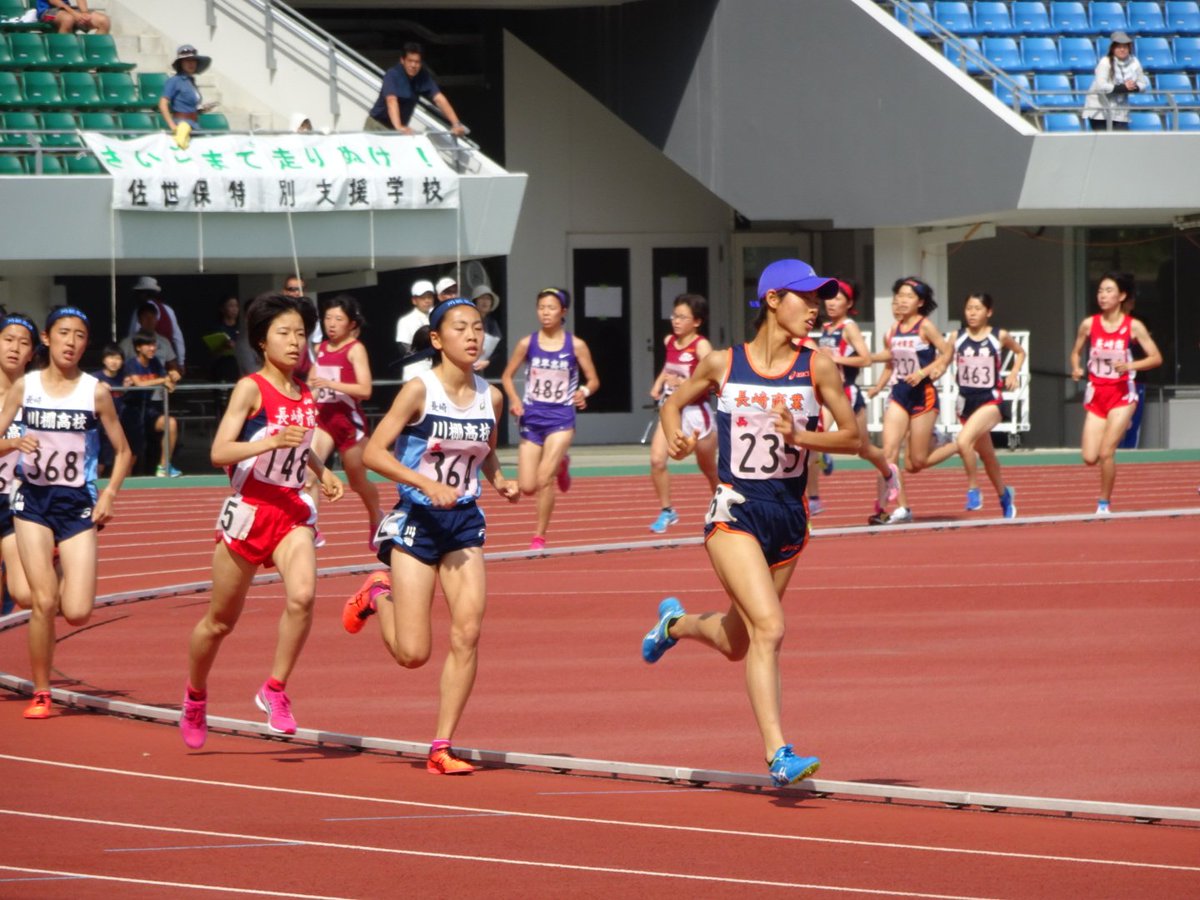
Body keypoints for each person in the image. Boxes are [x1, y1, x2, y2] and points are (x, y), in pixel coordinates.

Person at [642, 259, 859, 787]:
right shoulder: (722, 363)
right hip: (734, 511)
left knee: (739, 641)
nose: (815, 309)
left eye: (820, 300)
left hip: (788, 518)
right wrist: (674, 435)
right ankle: (778, 752)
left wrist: (803, 438)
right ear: (772, 299)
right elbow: (675, 402)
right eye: (804, 298)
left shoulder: (819, 366)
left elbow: (853, 436)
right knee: (771, 628)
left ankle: (674, 624)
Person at [344, 297, 518, 775]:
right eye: (460, 328)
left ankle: (441, 746)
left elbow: (483, 449)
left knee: (468, 631)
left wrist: (500, 478)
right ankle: (378, 593)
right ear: (438, 340)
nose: (472, 335)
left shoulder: (492, 396)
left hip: (463, 522)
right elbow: (373, 454)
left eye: (478, 327)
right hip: (417, 522)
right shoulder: (419, 391)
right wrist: (425, 483)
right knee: (412, 654)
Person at [179, 292, 344, 750]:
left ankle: (274, 688)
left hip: (291, 510)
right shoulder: (251, 388)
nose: (295, 343)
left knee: (305, 595)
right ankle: (195, 696)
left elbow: (300, 443)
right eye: (283, 334)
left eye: (300, 334)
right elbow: (219, 452)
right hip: (249, 512)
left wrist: (323, 470)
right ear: (260, 341)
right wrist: (267, 444)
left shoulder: (306, 392)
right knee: (219, 622)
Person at [0, 307, 131, 719]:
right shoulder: (26, 387)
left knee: (75, 612)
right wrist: (12, 445)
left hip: (77, 505)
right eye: (63, 333)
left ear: (85, 343)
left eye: (79, 335)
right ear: (47, 338)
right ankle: (42, 691)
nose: (71, 342)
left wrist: (109, 494)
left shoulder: (95, 391)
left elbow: (124, 451)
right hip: (32, 501)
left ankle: (60, 565)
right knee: (40, 601)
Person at [500, 288, 600, 550]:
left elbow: (594, 380)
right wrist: (515, 400)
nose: (545, 312)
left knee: (545, 479)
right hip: (532, 418)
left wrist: (584, 392)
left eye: (551, 307)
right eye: (541, 307)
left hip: (561, 418)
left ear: (563, 311)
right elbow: (507, 376)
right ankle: (563, 464)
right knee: (528, 485)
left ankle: (539, 536)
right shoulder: (527, 343)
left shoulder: (576, 345)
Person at [920, 293, 1025, 517]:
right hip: (966, 403)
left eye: (977, 308)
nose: (972, 313)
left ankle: (973, 489)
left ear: (989, 312)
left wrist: (1014, 372)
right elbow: (945, 359)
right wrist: (937, 370)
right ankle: (1004, 495)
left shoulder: (999, 336)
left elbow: (1020, 352)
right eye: (969, 308)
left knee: (964, 441)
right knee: (987, 456)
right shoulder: (956, 337)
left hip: (991, 400)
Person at [805, 279, 900, 518]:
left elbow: (866, 359)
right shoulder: (826, 328)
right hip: (827, 394)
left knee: (863, 449)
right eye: (829, 298)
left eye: (837, 299)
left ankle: (889, 474)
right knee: (812, 444)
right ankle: (813, 499)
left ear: (849, 303)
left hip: (847, 393)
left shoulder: (849, 327)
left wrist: (837, 360)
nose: (831, 303)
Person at [1069, 272, 1162, 514]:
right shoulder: (1089, 324)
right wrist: (1076, 367)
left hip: (1122, 395)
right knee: (1090, 457)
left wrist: (1130, 366)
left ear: (1121, 296)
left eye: (1109, 290)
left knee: (1106, 452)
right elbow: (1076, 351)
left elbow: (1156, 358)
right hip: (1097, 395)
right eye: (1100, 290)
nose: (1103, 295)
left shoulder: (1133, 326)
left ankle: (1103, 503)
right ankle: (1118, 426)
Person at [874, 277, 953, 524]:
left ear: (920, 302)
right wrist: (876, 384)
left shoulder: (925, 326)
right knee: (888, 452)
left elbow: (947, 351)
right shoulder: (891, 331)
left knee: (916, 462)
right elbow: (890, 361)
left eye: (908, 296)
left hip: (923, 395)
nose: (902, 300)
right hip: (899, 394)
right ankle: (900, 508)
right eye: (899, 295)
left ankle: (954, 443)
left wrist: (927, 371)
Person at [309, 294, 382, 545]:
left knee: (357, 482)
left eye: (338, 319)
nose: (331, 324)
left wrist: (330, 382)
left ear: (351, 323)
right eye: (328, 318)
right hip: (324, 419)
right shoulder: (319, 349)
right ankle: (312, 527)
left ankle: (376, 517)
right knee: (310, 474)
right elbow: (312, 383)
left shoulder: (355, 349)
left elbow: (365, 390)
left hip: (349, 422)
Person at [646, 293, 718, 533]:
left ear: (696, 321)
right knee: (657, 460)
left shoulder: (701, 345)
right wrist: (659, 383)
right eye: (674, 315)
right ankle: (667, 510)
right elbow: (669, 368)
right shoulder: (669, 341)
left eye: (682, 317)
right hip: (671, 409)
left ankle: (725, 507)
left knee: (707, 467)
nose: (676, 321)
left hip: (697, 413)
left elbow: (713, 377)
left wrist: (684, 383)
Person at [0, 313, 38, 613]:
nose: (14, 348)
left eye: (23, 343)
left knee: (25, 594)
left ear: (32, 353)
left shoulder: (39, 397)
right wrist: (12, 443)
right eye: (8, 340)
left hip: (19, 503)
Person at [364, 42, 466, 136]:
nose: (413, 65)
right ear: (402, 60)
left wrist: (456, 123)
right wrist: (398, 127)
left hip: (398, 129)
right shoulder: (392, 74)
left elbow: (439, 99)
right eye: (410, 61)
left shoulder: (422, 76)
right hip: (377, 125)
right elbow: (391, 100)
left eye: (417, 62)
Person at [125, 333, 181, 477]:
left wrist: (173, 377)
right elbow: (139, 383)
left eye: (154, 345)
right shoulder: (131, 363)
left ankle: (164, 466)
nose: (153, 348)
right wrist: (162, 380)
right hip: (132, 412)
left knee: (171, 423)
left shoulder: (155, 362)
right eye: (148, 345)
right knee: (132, 456)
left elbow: (167, 382)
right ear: (138, 347)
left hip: (149, 410)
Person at [1084, 32, 1148, 132]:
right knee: (1104, 143)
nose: (1122, 50)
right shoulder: (1105, 62)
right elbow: (1101, 86)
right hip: (1100, 111)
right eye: (1118, 47)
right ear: (1113, 48)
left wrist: (1133, 87)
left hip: (1120, 111)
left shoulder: (1134, 62)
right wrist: (1123, 87)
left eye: (1125, 47)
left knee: (1121, 142)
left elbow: (1143, 84)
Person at [159, 45, 215, 149]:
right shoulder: (174, 81)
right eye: (187, 61)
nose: (191, 63)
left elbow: (187, 106)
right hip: (182, 127)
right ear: (181, 63)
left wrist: (201, 109)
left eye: (193, 60)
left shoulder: (191, 81)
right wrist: (172, 125)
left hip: (194, 126)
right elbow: (163, 103)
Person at [126, 278, 186, 371]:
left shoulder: (140, 311)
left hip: (142, 367)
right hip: (166, 363)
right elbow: (178, 338)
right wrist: (181, 362)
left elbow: (133, 334)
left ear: (143, 294)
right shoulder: (168, 310)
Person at [93, 343, 126, 478]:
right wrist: (98, 386)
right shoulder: (94, 378)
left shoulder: (125, 378)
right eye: (110, 357)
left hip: (117, 423)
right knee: (98, 462)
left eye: (118, 358)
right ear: (103, 360)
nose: (114, 361)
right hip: (98, 425)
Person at [203, 296, 242, 383]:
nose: (234, 309)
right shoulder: (216, 329)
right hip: (221, 366)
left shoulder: (241, 328)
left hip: (238, 365)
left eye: (236, 306)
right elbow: (211, 350)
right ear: (222, 309)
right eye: (231, 306)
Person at [396, 279, 436, 357]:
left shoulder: (439, 315)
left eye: (429, 297)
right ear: (414, 300)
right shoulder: (405, 321)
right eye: (423, 297)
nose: (427, 300)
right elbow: (405, 349)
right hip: (417, 363)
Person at [470, 284, 503, 372]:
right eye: (482, 298)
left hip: (487, 369)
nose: (485, 302)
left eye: (488, 299)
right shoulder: (468, 320)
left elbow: (500, 349)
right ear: (475, 301)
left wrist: (488, 361)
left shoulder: (492, 323)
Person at [35, 0, 109, 34]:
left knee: (103, 21)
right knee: (68, 19)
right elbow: (54, 1)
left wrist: (84, 13)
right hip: (45, 14)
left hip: (66, 10)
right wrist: (73, 13)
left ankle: (94, 55)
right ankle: (62, 55)